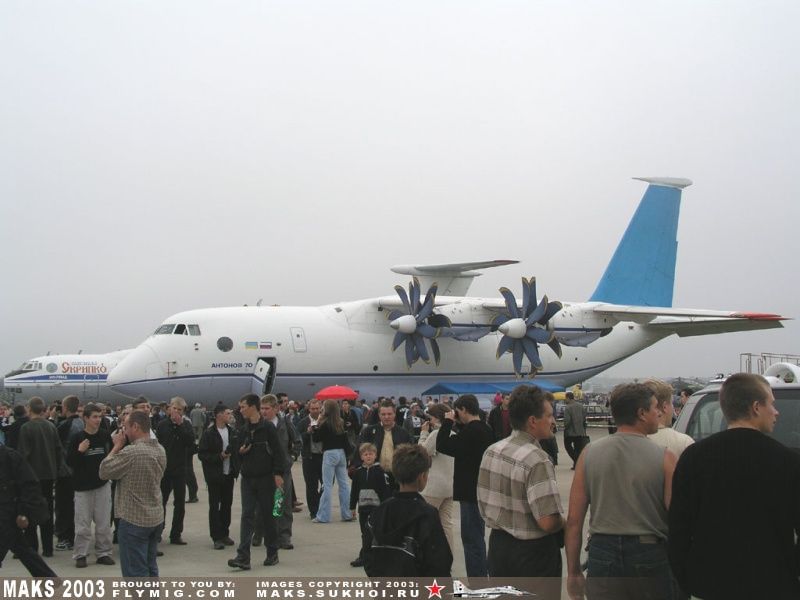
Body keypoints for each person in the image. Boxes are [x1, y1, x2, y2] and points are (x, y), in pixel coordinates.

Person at [668, 373, 800, 600]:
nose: (776, 412)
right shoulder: (787, 461)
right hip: (773, 584)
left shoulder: (693, 457)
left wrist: (687, 579)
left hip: (709, 585)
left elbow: (678, 527)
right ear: (756, 407)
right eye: (772, 404)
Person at [565, 383, 677, 600]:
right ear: (641, 413)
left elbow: (573, 521)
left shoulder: (588, 454)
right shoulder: (665, 457)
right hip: (649, 552)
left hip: (602, 552)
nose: (660, 412)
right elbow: (675, 516)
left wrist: (573, 571)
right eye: (655, 407)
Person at [478, 385, 564, 584]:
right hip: (532, 555)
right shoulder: (537, 459)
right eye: (549, 416)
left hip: (499, 549)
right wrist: (564, 523)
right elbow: (548, 522)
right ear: (533, 421)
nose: (553, 421)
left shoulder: (492, 451)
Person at [364, 444, 452, 577]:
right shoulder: (427, 514)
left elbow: (367, 553)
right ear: (422, 476)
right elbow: (439, 562)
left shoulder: (379, 512)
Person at [99, 411, 166, 577]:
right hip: (154, 516)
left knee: (135, 572)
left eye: (126, 427)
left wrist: (116, 446)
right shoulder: (159, 449)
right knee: (150, 567)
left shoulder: (131, 453)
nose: (124, 431)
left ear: (136, 427)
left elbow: (104, 471)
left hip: (133, 519)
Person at [436, 394, 495, 577]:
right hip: (483, 488)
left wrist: (447, 423)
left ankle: (477, 580)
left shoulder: (470, 432)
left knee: (471, 539)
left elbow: (443, 445)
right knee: (478, 537)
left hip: (470, 492)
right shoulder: (485, 429)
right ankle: (482, 575)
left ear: (462, 410)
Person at [228, 393, 285, 570]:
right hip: (248, 479)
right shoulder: (242, 429)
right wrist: (240, 452)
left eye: (243, 406)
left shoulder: (267, 428)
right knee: (247, 516)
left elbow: (278, 452)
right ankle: (243, 556)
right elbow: (234, 451)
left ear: (253, 406)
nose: (241, 409)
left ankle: (272, 552)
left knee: (268, 516)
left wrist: (278, 474)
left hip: (266, 479)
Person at [66, 402, 114, 568]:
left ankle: (103, 553)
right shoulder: (77, 438)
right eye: (94, 417)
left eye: (99, 416)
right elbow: (69, 462)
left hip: (102, 485)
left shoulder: (105, 436)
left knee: (103, 523)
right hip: (82, 487)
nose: (98, 420)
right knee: (82, 525)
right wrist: (80, 450)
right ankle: (81, 554)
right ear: (85, 418)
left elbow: (111, 455)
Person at [0, 444, 57, 577]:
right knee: (22, 548)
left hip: (8, 513)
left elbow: (29, 485)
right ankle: (49, 580)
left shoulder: (9, 456)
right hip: (6, 514)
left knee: (20, 547)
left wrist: (23, 512)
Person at [17, 396, 63, 557]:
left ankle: (32, 547)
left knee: (30, 512)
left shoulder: (26, 428)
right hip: (49, 475)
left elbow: (24, 455)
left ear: (29, 409)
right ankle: (48, 548)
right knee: (47, 512)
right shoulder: (51, 427)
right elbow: (58, 450)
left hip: (32, 477)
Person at [254, 395, 301, 549]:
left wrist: (292, 456)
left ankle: (284, 536)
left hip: (282, 470)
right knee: (261, 504)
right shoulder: (257, 425)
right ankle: (258, 533)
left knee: (283, 503)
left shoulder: (285, 423)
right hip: (263, 469)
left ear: (275, 408)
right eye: (262, 408)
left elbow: (297, 441)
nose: (264, 411)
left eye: (267, 408)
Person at [155, 396, 196, 545]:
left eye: (180, 410)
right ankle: (158, 531)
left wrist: (180, 426)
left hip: (180, 469)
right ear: (169, 408)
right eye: (174, 408)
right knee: (161, 502)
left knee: (180, 503)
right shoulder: (162, 425)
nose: (177, 412)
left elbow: (191, 442)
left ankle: (176, 533)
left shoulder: (186, 425)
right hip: (164, 469)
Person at [198, 405, 239, 550]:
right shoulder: (209, 433)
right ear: (219, 415)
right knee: (215, 506)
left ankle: (224, 533)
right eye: (227, 413)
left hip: (229, 474)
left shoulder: (232, 431)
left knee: (227, 504)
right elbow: (202, 455)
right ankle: (216, 536)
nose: (230, 415)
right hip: (215, 475)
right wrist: (219, 456)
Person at [417, 403, 455, 550]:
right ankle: (448, 556)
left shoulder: (435, 434)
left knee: (425, 522)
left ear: (437, 418)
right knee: (446, 524)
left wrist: (423, 433)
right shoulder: (453, 434)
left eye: (431, 418)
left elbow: (422, 452)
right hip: (449, 487)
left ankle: (427, 555)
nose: (429, 421)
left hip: (434, 488)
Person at [310, 400, 353, 523]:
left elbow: (317, 439)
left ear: (327, 409)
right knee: (344, 484)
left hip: (329, 453)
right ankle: (347, 513)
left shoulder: (324, 423)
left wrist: (315, 428)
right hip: (341, 453)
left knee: (327, 485)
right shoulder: (340, 422)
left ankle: (323, 516)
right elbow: (345, 440)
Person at [348, 442, 391, 567]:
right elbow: (354, 491)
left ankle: (378, 556)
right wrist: (352, 507)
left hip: (376, 509)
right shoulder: (358, 472)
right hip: (363, 509)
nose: (368, 457)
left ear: (375, 455)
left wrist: (385, 508)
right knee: (365, 533)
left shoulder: (380, 472)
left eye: (371, 454)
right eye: (365, 454)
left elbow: (385, 491)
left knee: (376, 532)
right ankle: (365, 557)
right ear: (361, 457)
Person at [354, 399, 412, 487]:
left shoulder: (403, 433)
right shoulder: (368, 431)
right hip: (374, 477)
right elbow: (359, 451)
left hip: (397, 478)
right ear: (379, 415)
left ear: (394, 414)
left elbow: (409, 455)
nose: (386, 417)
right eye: (383, 414)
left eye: (389, 414)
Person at [55, 394, 83, 552]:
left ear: (65, 408)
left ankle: (65, 537)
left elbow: (57, 447)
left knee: (63, 505)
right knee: (76, 507)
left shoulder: (64, 426)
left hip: (65, 471)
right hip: (79, 471)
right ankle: (74, 535)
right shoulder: (82, 423)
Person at [645, 379, 694, 458]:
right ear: (664, 407)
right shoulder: (684, 442)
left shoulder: (629, 441)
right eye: (671, 403)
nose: (673, 408)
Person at [297, 399, 324, 519]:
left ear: (321, 408)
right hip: (309, 457)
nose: (315, 411)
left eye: (317, 408)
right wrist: (307, 432)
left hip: (324, 457)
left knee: (326, 484)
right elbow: (298, 439)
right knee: (311, 486)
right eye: (313, 409)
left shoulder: (324, 420)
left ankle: (321, 505)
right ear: (309, 409)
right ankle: (313, 511)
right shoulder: (303, 422)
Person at [563, 391, 588, 470]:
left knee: (567, 446)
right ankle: (576, 464)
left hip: (570, 432)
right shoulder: (581, 406)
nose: (565, 400)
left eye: (565, 398)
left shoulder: (568, 407)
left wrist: (565, 427)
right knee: (578, 448)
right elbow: (584, 419)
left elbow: (567, 421)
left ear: (568, 398)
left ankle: (576, 461)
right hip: (580, 432)